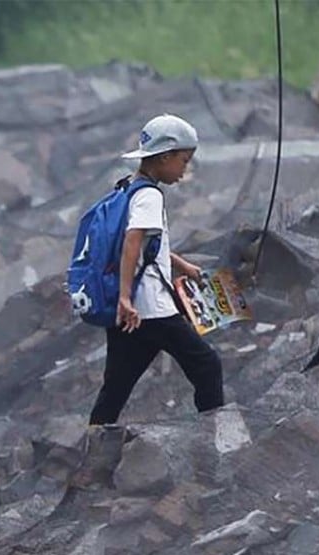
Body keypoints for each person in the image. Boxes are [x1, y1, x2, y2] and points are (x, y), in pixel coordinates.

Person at [88, 114, 224, 425]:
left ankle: (92, 450)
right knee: (207, 365)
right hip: (149, 308)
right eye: (184, 161)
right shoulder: (150, 195)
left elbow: (148, 243)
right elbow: (132, 242)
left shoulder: (128, 187)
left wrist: (181, 264)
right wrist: (125, 297)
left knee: (116, 388)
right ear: (165, 156)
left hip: (130, 315)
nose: (184, 169)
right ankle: (215, 437)